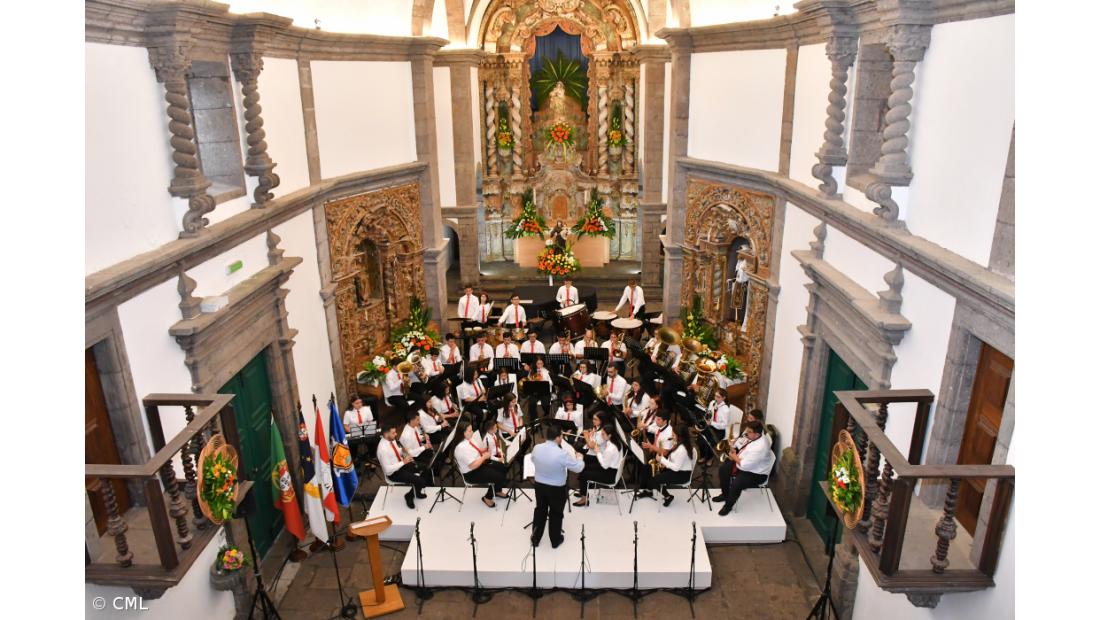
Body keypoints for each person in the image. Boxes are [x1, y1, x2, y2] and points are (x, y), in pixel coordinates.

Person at [530, 425, 585, 548]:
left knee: (540, 511)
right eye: (561, 436)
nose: (562, 438)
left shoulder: (537, 448)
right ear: (557, 438)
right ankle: (555, 540)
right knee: (556, 513)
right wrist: (580, 458)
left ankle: (535, 539)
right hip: (557, 489)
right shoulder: (562, 454)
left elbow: (533, 460)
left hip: (539, 485)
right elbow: (578, 468)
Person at [716, 420, 775, 516]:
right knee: (723, 469)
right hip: (746, 462)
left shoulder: (760, 447)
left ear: (756, 434)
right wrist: (734, 446)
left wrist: (734, 455)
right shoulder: (755, 437)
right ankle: (725, 494)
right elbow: (745, 449)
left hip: (757, 473)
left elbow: (744, 466)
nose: (746, 433)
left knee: (737, 483)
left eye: (749, 431)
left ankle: (728, 506)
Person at [454, 423, 510, 508]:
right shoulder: (461, 448)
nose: (472, 432)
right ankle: (487, 498)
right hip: (471, 473)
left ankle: (497, 490)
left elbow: (476, 449)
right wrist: (484, 457)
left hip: (479, 464)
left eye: (471, 430)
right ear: (463, 433)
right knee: (499, 476)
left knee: (503, 468)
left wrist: (483, 450)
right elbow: (472, 466)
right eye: (470, 431)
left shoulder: (469, 439)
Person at [376, 421, 428, 509]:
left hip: (401, 464)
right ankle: (409, 496)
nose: (396, 434)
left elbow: (396, 451)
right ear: (385, 434)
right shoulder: (382, 449)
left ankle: (416, 491)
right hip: (394, 473)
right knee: (420, 481)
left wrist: (404, 450)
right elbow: (388, 470)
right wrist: (404, 462)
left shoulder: (391, 439)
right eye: (393, 433)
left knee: (426, 468)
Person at [573, 424, 622, 507]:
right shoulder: (615, 442)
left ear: (609, 435)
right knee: (584, 467)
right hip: (611, 468)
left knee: (585, 475)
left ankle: (584, 499)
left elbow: (604, 466)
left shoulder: (611, 449)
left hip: (609, 475)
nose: (601, 436)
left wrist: (598, 452)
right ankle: (583, 491)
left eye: (603, 434)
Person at [648, 424, 695, 507]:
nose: (671, 436)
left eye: (673, 435)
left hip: (682, 475)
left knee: (655, 480)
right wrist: (665, 461)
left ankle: (668, 496)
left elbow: (676, 468)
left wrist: (662, 460)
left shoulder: (682, 449)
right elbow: (674, 458)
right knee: (653, 472)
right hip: (679, 469)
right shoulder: (679, 443)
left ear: (679, 436)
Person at [699, 389, 731, 465]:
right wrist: (707, 415)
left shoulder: (726, 410)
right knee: (700, 440)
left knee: (709, 443)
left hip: (720, 430)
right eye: (715, 396)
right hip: (711, 426)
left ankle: (710, 458)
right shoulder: (712, 403)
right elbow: (709, 413)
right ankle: (703, 456)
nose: (716, 398)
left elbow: (724, 426)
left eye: (718, 397)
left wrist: (711, 423)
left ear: (724, 398)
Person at [400, 411, 435, 479]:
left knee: (433, 456)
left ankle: (433, 472)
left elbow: (418, 437)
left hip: (418, 450)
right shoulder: (406, 435)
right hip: (414, 457)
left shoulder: (413, 427)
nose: (419, 422)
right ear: (411, 420)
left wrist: (424, 437)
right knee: (428, 464)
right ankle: (428, 481)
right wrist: (424, 447)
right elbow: (410, 453)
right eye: (417, 420)